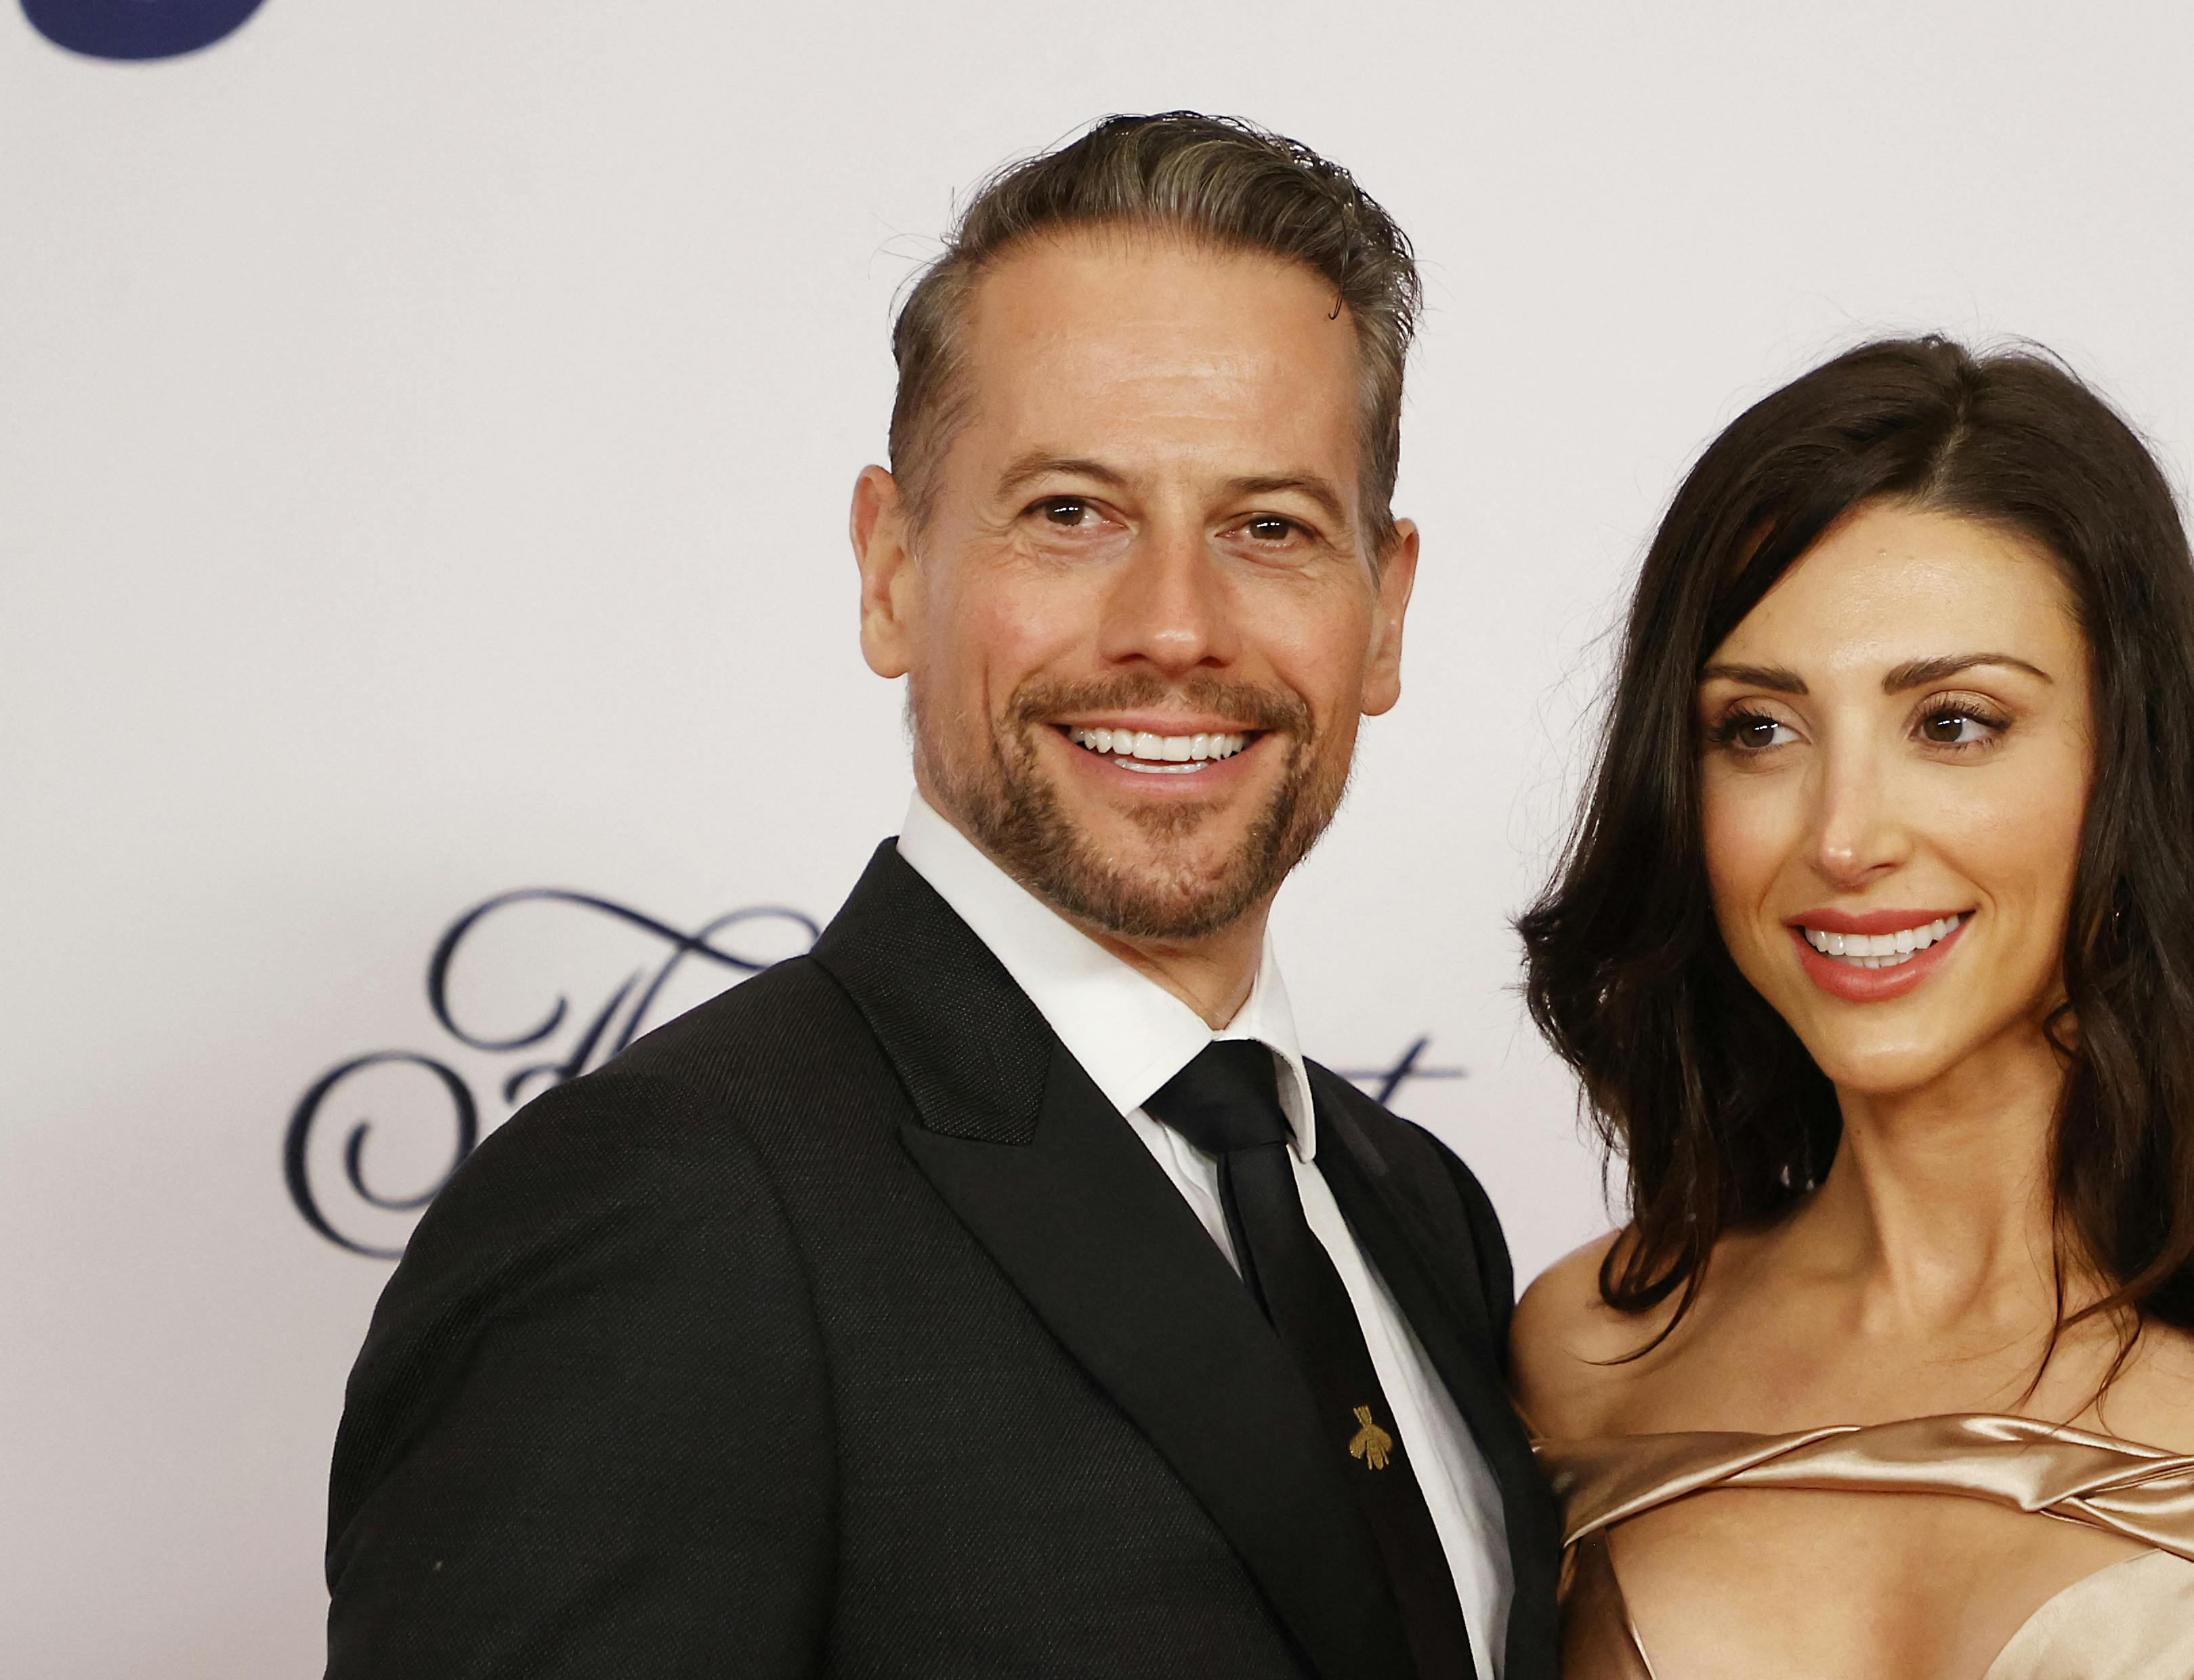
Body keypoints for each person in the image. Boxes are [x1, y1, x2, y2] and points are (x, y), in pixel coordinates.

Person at [326, 114, 1561, 1680]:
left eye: (1270, 527)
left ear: (1383, 614)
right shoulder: (675, 1205)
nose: (1175, 625)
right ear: (893, 570)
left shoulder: (1418, 1210)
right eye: (1070, 513)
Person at [1511, 338, 2194, 1680]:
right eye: (1758, 728)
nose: (1844, 837)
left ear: (2128, 763)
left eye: (1954, 723)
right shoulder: (1591, 1351)